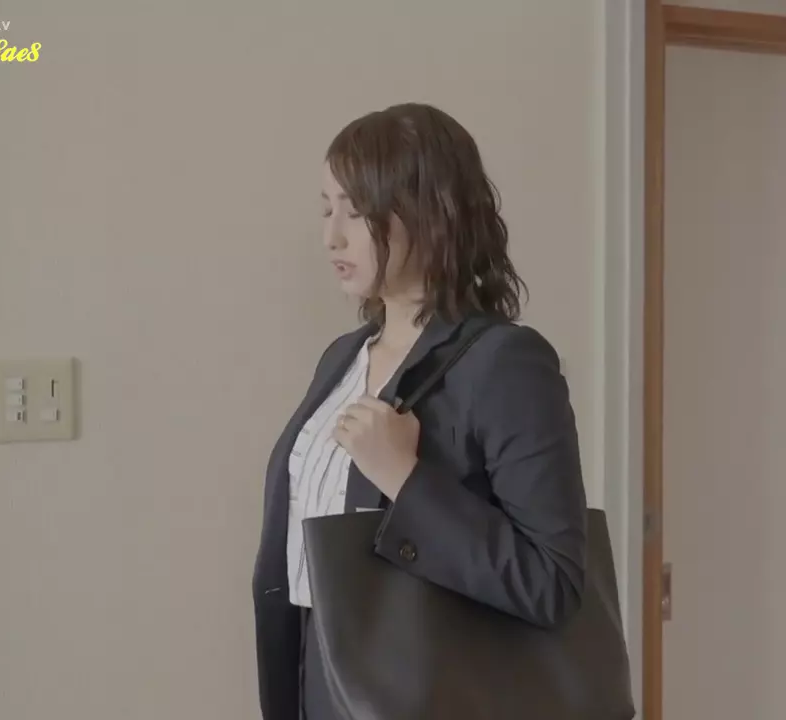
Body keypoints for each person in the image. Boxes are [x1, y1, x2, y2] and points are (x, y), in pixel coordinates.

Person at [250, 103, 589, 720]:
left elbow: (552, 583)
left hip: (425, 695)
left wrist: (406, 480)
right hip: (319, 680)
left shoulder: (505, 363)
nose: (332, 236)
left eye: (358, 210)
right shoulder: (342, 358)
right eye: (327, 209)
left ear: (433, 213)